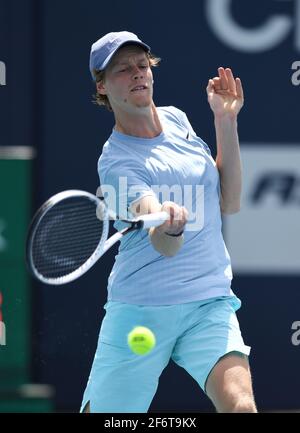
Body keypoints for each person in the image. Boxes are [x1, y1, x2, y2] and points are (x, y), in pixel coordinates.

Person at [81, 31, 257, 413]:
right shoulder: (116, 164)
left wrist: (225, 121)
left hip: (208, 303)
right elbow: (165, 244)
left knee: (241, 407)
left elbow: (229, 201)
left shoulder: (178, 120)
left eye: (142, 65)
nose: (138, 74)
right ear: (103, 86)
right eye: (123, 70)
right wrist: (170, 226)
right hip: (141, 308)